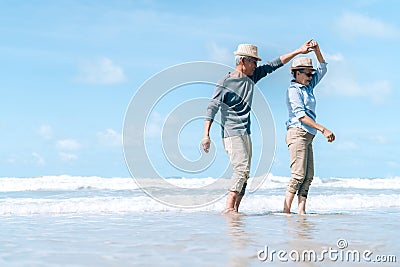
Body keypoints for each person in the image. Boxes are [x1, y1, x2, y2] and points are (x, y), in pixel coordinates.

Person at [202, 40, 315, 214]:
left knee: (245, 173)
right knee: (242, 169)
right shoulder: (225, 81)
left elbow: (275, 64)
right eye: (253, 61)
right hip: (231, 133)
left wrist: (298, 51)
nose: (256, 65)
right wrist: (206, 135)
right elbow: (212, 107)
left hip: (246, 132)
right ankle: (228, 207)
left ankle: (235, 211)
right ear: (243, 61)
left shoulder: (252, 77)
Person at [283, 40, 335, 215]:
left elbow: (323, 68)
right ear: (297, 74)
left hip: (309, 135)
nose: (311, 77)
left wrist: (317, 50)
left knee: (308, 176)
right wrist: (323, 129)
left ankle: (302, 211)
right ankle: (285, 211)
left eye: (311, 74)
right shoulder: (294, 90)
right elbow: (301, 116)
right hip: (297, 132)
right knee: (298, 175)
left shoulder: (309, 86)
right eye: (307, 74)